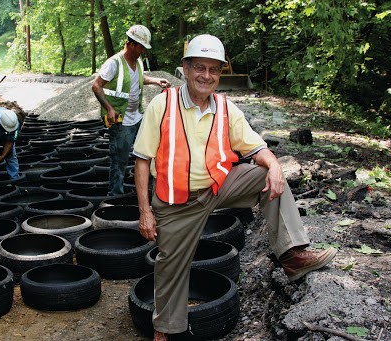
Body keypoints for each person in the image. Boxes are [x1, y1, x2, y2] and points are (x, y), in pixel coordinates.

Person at [132, 34, 337, 341]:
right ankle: (165, 330)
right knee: (170, 267)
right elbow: (142, 160)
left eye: (213, 69)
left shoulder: (227, 108)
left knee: (267, 176)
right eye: (199, 67)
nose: (206, 75)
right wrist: (145, 212)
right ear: (185, 69)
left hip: (218, 187)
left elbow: (257, 147)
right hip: (176, 202)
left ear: (220, 73)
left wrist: (276, 166)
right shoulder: (163, 104)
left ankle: (292, 254)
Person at [92, 24, 171, 196]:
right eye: (141, 47)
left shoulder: (138, 62)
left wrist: (156, 81)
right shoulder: (113, 64)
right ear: (131, 44)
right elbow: (96, 86)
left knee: (148, 153)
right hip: (119, 120)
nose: (143, 51)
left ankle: (149, 189)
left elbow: (139, 78)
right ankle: (115, 196)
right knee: (119, 160)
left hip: (137, 117)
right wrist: (109, 108)